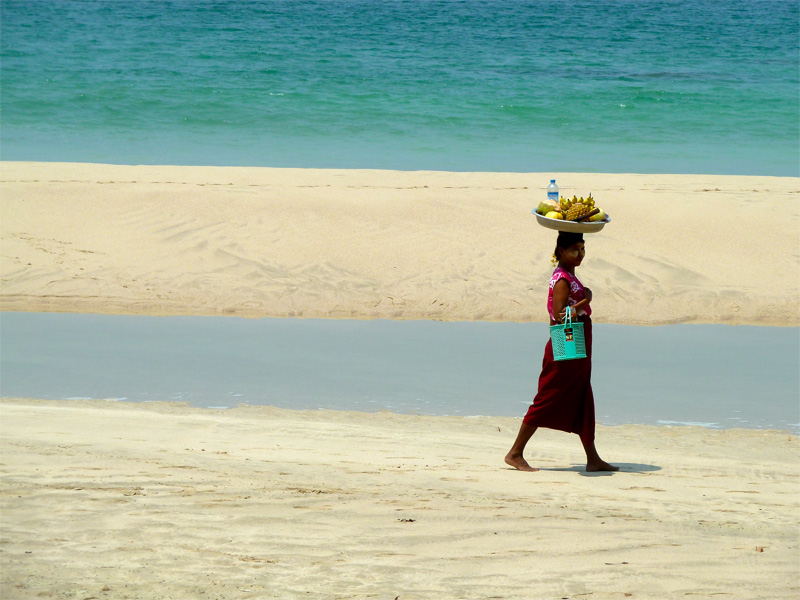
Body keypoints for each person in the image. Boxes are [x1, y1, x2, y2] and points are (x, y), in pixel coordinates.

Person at [505, 230, 618, 473]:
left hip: (577, 342)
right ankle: (515, 453)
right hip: (566, 342)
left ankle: (593, 458)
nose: (580, 254)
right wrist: (585, 302)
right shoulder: (563, 279)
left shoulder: (569, 275)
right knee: (549, 394)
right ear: (560, 252)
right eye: (574, 249)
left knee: (582, 394)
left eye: (582, 248)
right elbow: (559, 315)